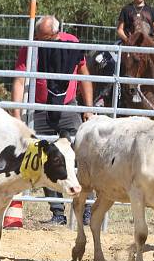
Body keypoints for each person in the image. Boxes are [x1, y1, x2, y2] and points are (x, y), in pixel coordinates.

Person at [11, 15, 94, 226]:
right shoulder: (30, 47)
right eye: (38, 36)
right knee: (44, 158)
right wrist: (17, 113)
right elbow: (20, 80)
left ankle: (86, 209)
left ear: (55, 34)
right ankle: (57, 211)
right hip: (39, 109)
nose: (39, 39)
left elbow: (84, 74)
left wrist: (88, 108)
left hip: (68, 107)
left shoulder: (72, 44)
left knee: (80, 156)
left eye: (43, 37)